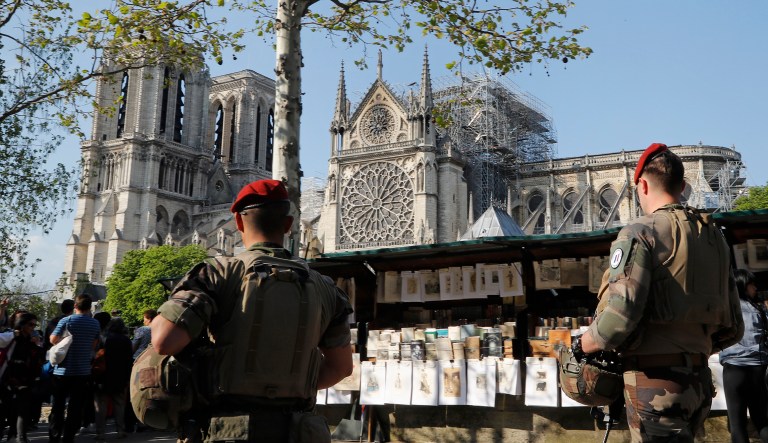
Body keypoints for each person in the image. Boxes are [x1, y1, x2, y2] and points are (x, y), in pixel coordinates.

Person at [152, 179, 353, 442]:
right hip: (299, 430)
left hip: (231, 429)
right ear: (289, 225)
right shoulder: (328, 289)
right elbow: (341, 368)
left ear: (237, 222)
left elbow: (164, 340)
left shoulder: (216, 273)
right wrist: (289, 383)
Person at [577, 143, 744, 442]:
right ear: (682, 186)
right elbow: (734, 327)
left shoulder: (640, 232)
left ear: (641, 184)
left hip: (654, 385)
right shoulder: (713, 238)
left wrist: (581, 346)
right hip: (698, 383)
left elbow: (617, 319)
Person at [720, 269, 768, 443]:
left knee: (737, 425)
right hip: (758, 369)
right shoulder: (760, 309)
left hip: (734, 370)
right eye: (751, 284)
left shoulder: (726, 310)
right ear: (742, 285)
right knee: (762, 421)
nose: (755, 288)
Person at [48, 294, 101, 443]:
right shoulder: (95, 324)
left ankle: (55, 435)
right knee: (75, 407)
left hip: (62, 371)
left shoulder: (66, 320)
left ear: (75, 306)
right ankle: (69, 437)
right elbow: (94, 344)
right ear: (89, 307)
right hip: (83, 371)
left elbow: (53, 340)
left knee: (57, 406)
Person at [2, 312, 45, 443]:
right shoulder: (13, 336)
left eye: (34, 325)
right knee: (7, 410)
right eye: (30, 324)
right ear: (22, 324)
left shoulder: (31, 339)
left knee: (22, 410)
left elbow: (39, 358)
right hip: (10, 378)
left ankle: (20, 437)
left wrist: (37, 345)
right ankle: (15, 436)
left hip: (27, 378)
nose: (33, 327)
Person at [93, 318, 133, 441]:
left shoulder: (103, 339)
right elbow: (128, 360)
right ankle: (120, 430)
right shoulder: (126, 340)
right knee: (119, 404)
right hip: (120, 376)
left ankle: (100, 432)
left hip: (103, 376)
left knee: (101, 405)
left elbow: (96, 356)